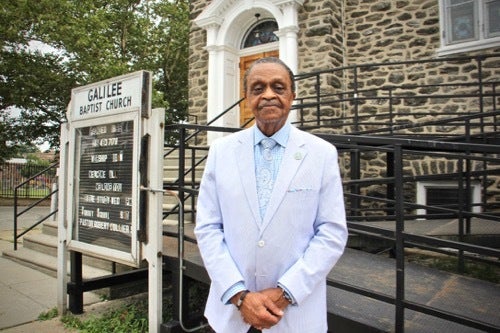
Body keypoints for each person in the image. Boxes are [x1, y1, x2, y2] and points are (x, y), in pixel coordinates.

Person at [194, 57, 348, 333]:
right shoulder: (221, 152)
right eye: (258, 88)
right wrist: (239, 295)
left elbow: (331, 232)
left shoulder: (321, 153)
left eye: (278, 87)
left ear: (292, 95)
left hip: (295, 315)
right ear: (246, 97)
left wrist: (286, 292)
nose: (268, 95)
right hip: (231, 314)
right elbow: (208, 228)